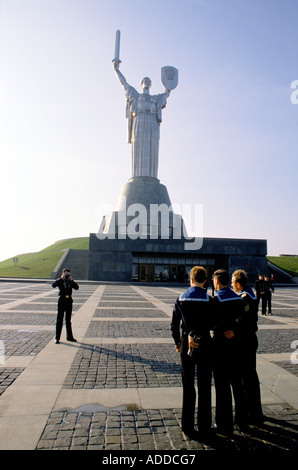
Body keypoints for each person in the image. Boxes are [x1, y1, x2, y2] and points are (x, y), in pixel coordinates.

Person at [171, 266, 213, 439]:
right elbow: (213, 323)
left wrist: (177, 342)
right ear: (205, 281)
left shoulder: (181, 299)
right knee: (204, 385)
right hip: (205, 342)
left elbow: (174, 325)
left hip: (186, 343)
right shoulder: (210, 300)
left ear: (190, 279)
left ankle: (187, 424)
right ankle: (204, 424)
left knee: (188, 384)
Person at [113, 60, 171, 178]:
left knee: (151, 148)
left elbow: (165, 95)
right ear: (141, 84)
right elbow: (124, 84)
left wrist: (168, 88)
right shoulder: (136, 95)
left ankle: (150, 176)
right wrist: (117, 70)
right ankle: (137, 176)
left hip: (151, 123)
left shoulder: (155, 98)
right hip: (139, 121)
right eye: (144, 81)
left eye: (148, 81)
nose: (146, 82)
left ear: (150, 85)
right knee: (139, 149)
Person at [212, 269, 247, 434]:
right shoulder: (239, 298)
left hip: (220, 346)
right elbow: (244, 321)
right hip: (236, 345)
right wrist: (235, 330)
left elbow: (212, 322)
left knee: (222, 386)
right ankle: (241, 419)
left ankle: (224, 423)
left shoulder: (216, 299)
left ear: (217, 281)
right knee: (237, 384)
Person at [232, 269, 265, 425]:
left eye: (233, 283)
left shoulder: (244, 297)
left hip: (244, 340)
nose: (232, 286)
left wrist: (233, 329)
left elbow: (241, 320)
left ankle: (250, 413)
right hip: (250, 339)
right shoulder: (250, 294)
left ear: (238, 284)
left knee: (246, 377)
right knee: (251, 376)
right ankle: (255, 411)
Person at [52, 268, 79, 344]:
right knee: (59, 319)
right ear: (63, 273)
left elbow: (77, 287)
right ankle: (57, 338)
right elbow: (53, 285)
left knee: (68, 320)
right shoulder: (60, 280)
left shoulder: (70, 281)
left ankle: (69, 337)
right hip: (62, 300)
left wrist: (71, 280)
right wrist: (61, 279)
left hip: (69, 300)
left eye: (68, 274)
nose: (67, 275)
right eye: (66, 274)